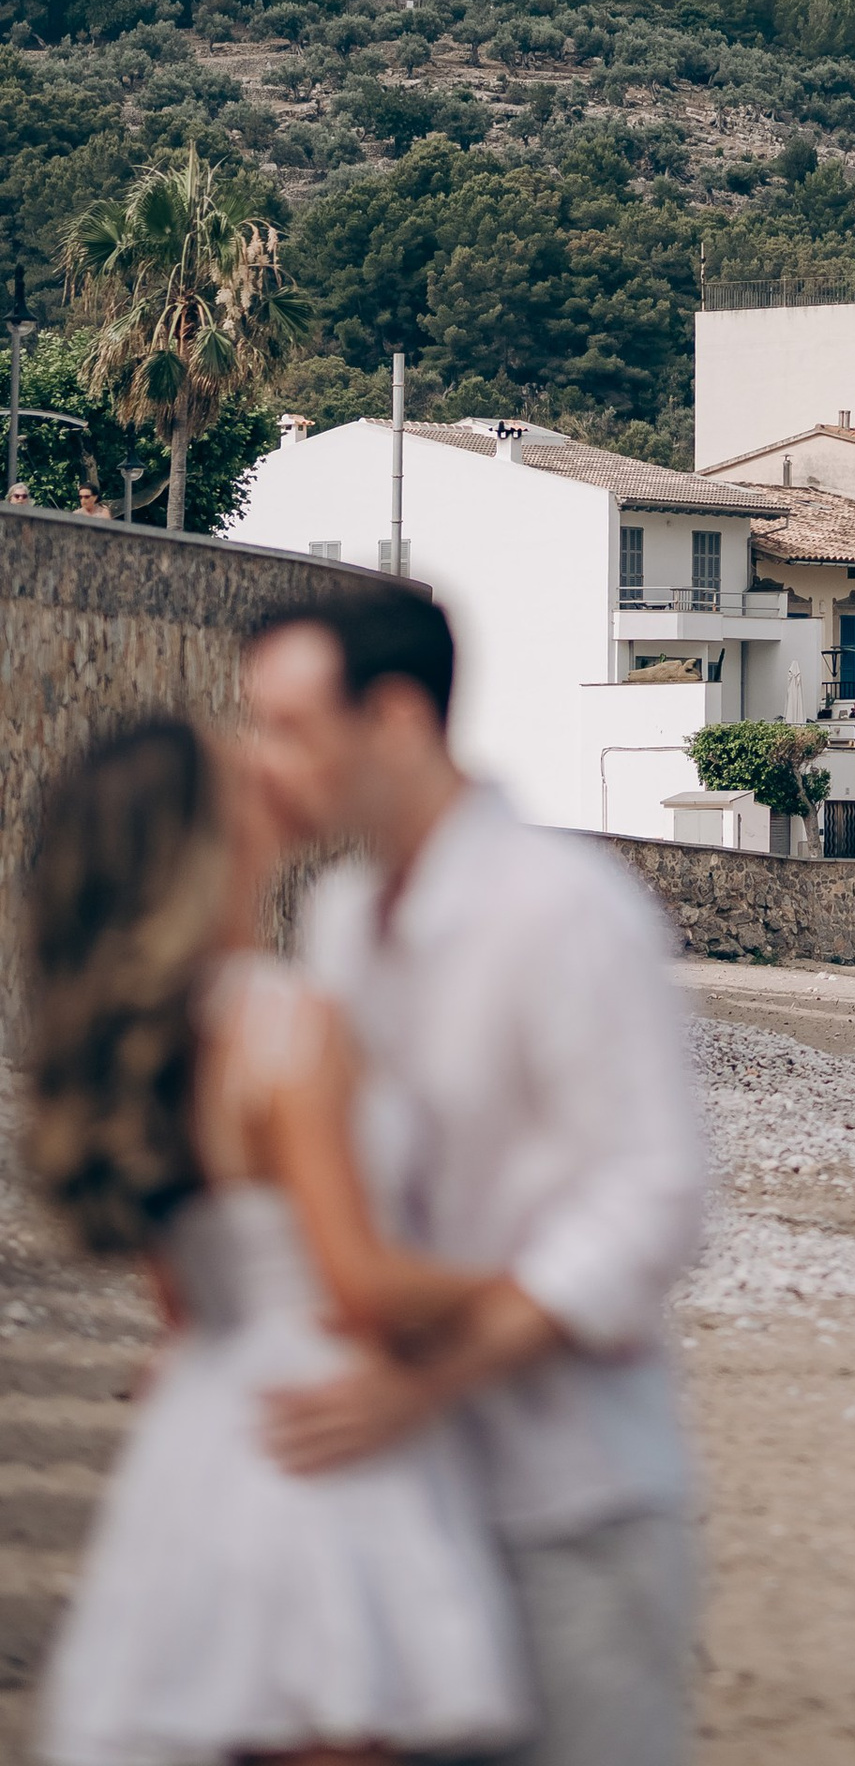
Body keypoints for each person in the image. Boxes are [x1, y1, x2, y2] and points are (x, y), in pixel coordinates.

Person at [240, 590, 706, 1766]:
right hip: (399, 1502)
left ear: (393, 721)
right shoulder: (341, 922)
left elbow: (652, 1199)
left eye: (288, 726)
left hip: (572, 1499)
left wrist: (435, 1378)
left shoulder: (566, 914)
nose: (262, 761)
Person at [24, 715, 532, 1766]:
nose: (264, 771)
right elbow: (357, 1282)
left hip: (200, 1436)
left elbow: (181, 1304)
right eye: (236, 775)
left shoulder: (146, 1039)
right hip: (319, 1427)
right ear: (207, 840)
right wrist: (524, 1284)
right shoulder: (283, 1025)